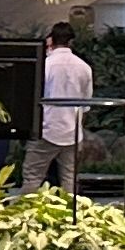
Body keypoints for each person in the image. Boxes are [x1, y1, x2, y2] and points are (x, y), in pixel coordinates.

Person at [22, 22, 91, 194]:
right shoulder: (84, 67)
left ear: (50, 40)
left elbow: (32, 96)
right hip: (73, 132)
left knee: (33, 177)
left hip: (46, 129)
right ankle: (71, 215)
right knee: (69, 180)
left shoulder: (45, 65)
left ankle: (25, 213)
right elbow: (86, 103)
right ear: (71, 42)